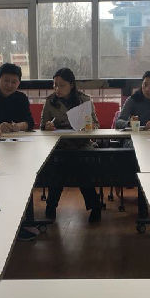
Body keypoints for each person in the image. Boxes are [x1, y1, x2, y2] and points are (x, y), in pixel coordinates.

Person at [40, 67, 102, 223]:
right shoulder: (50, 102)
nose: (57, 89)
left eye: (62, 85)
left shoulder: (84, 100)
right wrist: (47, 126)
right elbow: (42, 126)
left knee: (81, 164)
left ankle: (94, 207)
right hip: (60, 145)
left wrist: (88, 126)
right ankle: (52, 206)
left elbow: (96, 124)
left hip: (82, 144)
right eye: (55, 85)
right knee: (59, 165)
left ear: (71, 85)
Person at [0, 62, 34, 132]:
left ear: (19, 83)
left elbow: (30, 122)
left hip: (17, 137)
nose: (9, 85)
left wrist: (19, 126)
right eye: (6, 81)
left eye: (14, 82)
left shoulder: (21, 98)